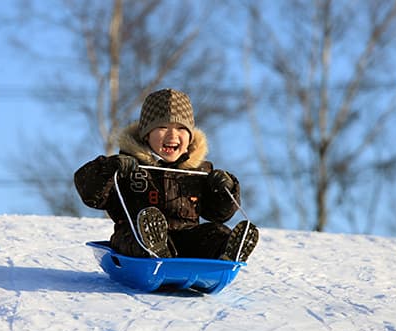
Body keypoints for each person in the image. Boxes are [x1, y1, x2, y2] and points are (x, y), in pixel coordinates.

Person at [74, 88, 258, 261]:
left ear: (190, 137)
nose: (172, 135)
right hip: (135, 236)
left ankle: (226, 253)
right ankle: (156, 252)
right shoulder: (128, 166)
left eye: (180, 128)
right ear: (146, 134)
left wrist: (226, 189)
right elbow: (92, 194)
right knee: (137, 235)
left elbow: (219, 214)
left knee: (216, 232)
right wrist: (108, 168)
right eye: (162, 127)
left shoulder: (199, 172)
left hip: (187, 240)